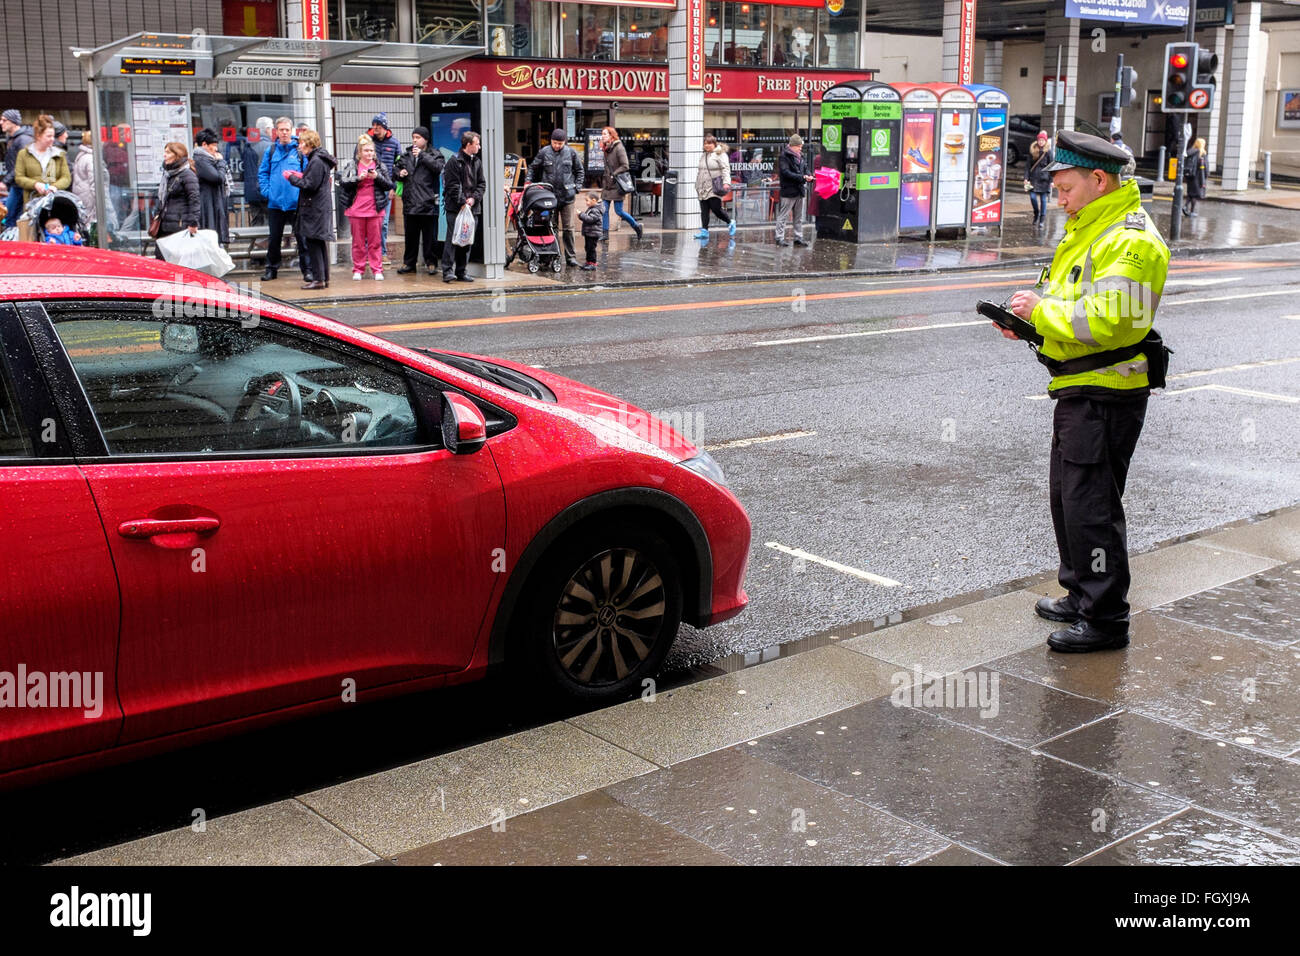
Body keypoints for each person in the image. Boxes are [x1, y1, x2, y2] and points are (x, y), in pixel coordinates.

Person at [1000, 130, 1170, 653]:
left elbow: (1113, 322)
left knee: (1092, 506)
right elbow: (1065, 301)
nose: (1058, 197)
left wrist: (1042, 312)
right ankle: (1079, 592)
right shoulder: (1089, 227)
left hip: (1106, 391)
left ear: (1099, 180)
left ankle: (1105, 619)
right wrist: (1030, 323)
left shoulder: (1132, 239)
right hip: (1078, 385)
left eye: (1066, 186)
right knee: (1068, 500)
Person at [284, 128, 337, 290]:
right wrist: (300, 175)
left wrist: (291, 178)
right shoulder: (319, 159)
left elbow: (309, 185)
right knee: (319, 243)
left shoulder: (316, 160)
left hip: (315, 209)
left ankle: (318, 280)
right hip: (319, 207)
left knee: (314, 243)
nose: (299, 146)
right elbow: (314, 180)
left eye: (301, 143)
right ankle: (323, 278)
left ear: (309, 143)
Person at [338, 134, 392, 280]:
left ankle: (377, 269)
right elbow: (343, 181)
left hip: (375, 209)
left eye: (371, 151)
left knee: (376, 242)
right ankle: (358, 268)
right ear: (359, 152)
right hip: (356, 209)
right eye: (366, 151)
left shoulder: (380, 166)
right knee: (358, 242)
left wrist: (377, 177)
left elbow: (389, 184)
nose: (369, 153)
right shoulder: (352, 165)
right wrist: (358, 178)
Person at [258, 116, 304, 281]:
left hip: (295, 203)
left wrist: (301, 193)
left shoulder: (299, 151)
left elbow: (306, 174)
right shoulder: (270, 151)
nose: (284, 133)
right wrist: (267, 192)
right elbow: (263, 173)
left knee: (302, 238)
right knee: (274, 239)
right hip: (276, 203)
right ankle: (271, 270)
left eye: (287, 129)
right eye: (281, 130)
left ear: (292, 131)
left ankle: (308, 271)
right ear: (276, 132)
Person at [529, 128, 584, 266]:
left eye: (560, 143)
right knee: (550, 227)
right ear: (551, 141)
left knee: (568, 228)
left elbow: (580, 171)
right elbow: (532, 168)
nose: (557, 146)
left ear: (564, 142)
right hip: (549, 197)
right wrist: (528, 182)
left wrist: (577, 187)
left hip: (567, 197)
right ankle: (552, 256)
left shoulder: (571, 153)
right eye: (554, 143)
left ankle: (571, 257)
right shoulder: (544, 152)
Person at [394, 125, 445, 274]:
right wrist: (399, 173)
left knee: (430, 237)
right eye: (413, 137)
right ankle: (409, 263)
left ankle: (431, 262)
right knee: (411, 236)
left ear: (426, 139)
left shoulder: (435, 154)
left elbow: (438, 167)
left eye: (418, 138)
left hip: (428, 201)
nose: (415, 141)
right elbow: (395, 169)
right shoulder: (406, 154)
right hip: (410, 202)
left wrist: (422, 155)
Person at [440, 129, 485, 283]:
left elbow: (481, 184)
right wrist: (462, 202)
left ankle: (461, 271)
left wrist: (473, 199)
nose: (479, 147)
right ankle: (447, 271)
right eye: (477, 144)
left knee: (466, 240)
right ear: (468, 145)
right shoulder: (454, 161)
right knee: (453, 239)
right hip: (455, 208)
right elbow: (452, 185)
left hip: (473, 208)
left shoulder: (477, 162)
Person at [153, 141, 200, 260]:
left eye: (168, 152)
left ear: (177, 155)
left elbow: (194, 200)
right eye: (164, 152)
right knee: (161, 261)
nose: (164, 155)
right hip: (164, 226)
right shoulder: (168, 174)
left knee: (176, 263)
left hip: (179, 226)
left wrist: (193, 223)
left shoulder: (187, 174)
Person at [13, 114, 71, 209]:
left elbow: (66, 178)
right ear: (38, 136)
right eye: (49, 136)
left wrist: (54, 187)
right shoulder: (23, 154)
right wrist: (35, 184)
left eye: (53, 136)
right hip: (32, 204)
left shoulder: (59, 154)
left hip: (55, 203)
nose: (52, 139)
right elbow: (19, 178)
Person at [367, 114, 401, 260]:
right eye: (374, 126)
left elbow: (399, 166)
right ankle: (369, 252)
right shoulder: (368, 142)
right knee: (369, 220)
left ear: (385, 128)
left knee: (384, 222)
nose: (375, 129)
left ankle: (382, 252)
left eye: (379, 127)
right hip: (369, 187)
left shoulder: (394, 143)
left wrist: (394, 187)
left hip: (386, 187)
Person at [600, 126, 642, 240]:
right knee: (604, 210)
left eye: (605, 134)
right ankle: (605, 234)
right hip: (607, 184)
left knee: (619, 211)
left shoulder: (619, 148)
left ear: (611, 135)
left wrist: (614, 174)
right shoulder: (606, 149)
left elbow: (625, 165)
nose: (603, 136)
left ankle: (636, 226)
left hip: (617, 184)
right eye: (602, 134)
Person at [192, 128, 230, 246]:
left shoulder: (207, 159)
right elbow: (218, 178)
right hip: (207, 206)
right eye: (213, 145)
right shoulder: (201, 160)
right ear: (204, 145)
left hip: (212, 204)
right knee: (210, 239)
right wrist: (221, 163)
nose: (216, 149)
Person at [775, 133, 813, 246]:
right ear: (792, 146)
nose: (800, 148)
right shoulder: (784, 157)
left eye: (801, 146)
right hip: (789, 191)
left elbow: (806, 169)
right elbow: (786, 173)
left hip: (799, 190)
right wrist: (802, 177)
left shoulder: (801, 156)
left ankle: (798, 237)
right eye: (799, 146)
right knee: (783, 215)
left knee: (798, 216)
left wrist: (809, 175)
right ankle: (779, 237)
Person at [694, 133, 733, 240]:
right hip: (702, 186)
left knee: (716, 208)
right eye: (705, 143)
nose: (707, 145)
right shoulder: (704, 155)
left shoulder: (720, 154)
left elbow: (725, 169)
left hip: (714, 186)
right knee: (704, 210)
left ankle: (730, 222)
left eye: (709, 143)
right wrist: (697, 185)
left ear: (714, 144)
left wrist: (726, 183)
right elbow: (700, 171)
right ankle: (704, 231)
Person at [1, 109, 34, 228]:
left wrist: (5, 181)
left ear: (13, 122)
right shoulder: (14, 138)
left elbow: (20, 166)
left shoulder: (22, 139)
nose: (1, 122)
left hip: (19, 185)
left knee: (9, 216)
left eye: (4, 120)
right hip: (16, 184)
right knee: (11, 216)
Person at [241, 116, 273, 227]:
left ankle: (258, 243)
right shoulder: (269, 146)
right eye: (272, 128)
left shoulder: (247, 145)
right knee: (271, 221)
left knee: (256, 221)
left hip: (251, 189)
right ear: (267, 129)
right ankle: (265, 243)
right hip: (264, 189)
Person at [1024, 130, 1053, 226]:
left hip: (1044, 180)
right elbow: (1028, 166)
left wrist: (1052, 180)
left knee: (1043, 199)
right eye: (1039, 140)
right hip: (1033, 179)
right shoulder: (1032, 151)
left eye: (1042, 140)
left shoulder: (1048, 152)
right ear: (1037, 140)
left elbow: (1052, 167)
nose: (1041, 142)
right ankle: (1036, 213)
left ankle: (1042, 219)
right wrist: (1026, 178)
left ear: (1045, 141)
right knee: (1032, 198)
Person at [70, 130, 96, 229]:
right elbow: (94, 182)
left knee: (84, 221)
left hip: (80, 193)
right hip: (89, 195)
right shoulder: (91, 158)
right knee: (90, 222)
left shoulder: (81, 156)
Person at [577, 191, 603, 270]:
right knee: (588, 248)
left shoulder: (595, 210)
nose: (586, 202)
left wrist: (581, 214)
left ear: (594, 200)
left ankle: (592, 264)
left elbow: (590, 219)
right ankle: (588, 262)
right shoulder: (592, 208)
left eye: (587, 200)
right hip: (590, 233)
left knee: (591, 248)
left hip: (593, 233)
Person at [1183, 137, 1207, 217]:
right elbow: (1205, 167)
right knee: (1195, 194)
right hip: (1198, 176)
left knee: (1191, 193)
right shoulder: (1201, 154)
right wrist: (1206, 176)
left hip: (1189, 176)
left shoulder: (1190, 152)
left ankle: (1185, 206)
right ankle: (1192, 211)